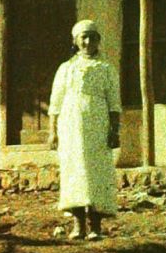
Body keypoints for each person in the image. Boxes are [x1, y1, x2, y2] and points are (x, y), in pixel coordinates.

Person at [49, 19, 122, 240]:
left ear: (98, 40)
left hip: (97, 125)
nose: (88, 41)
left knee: (96, 172)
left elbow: (114, 103)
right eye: (84, 37)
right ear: (76, 41)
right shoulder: (66, 68)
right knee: (75, 171)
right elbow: (56, 101)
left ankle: (96, 227)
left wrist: (114, 130)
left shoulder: (106, 69)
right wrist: (52, 131)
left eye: (92, 37)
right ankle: (78, 225)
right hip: (70, 125)